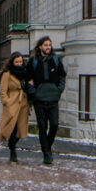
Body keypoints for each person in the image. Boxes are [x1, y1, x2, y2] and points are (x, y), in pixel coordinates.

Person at [24, 35, 66, 165]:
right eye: (45, 45)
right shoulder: (33, 62)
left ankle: (47, 146)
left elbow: (62, 76)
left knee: (54, 125)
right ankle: (46, 153)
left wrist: (59, 89)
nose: (48, 47)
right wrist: (33, 92)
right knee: (42, 127)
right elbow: (27, 79)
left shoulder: (56, 60)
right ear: (40, 47)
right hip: (39, 99)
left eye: (49, 45)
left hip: (53, 98)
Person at [0, 52, 29, 163]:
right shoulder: (7, 74)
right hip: (12, 103)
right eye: (17, 62)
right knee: (12, 128)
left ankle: (12, 146)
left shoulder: (25, 73)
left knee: (20, 129)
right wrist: (6, 102)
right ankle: (12, 151)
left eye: (20, 62)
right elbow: (2, 90)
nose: (19, 64)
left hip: (23, 103)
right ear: (12, 62)